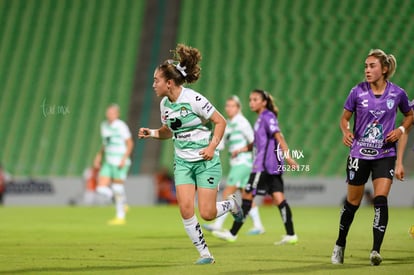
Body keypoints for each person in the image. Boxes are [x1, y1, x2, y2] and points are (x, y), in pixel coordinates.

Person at [138, 44, 243, 265]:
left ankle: (231, 204)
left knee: (207, 213)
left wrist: (213, 147)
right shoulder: (165, 104)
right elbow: (168, 130)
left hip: (206, 161)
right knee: (185, 209)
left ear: (169, 83)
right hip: (183, 162)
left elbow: (220, 121)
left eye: (156, 80)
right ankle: (205, 254)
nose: (153, 84)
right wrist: (152, 133)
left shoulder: (193, 99)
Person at [331, 49, 413, 266]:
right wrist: (346, 131)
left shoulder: (398, 94)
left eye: (372, 66)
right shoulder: (357, 91)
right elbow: (344, 118)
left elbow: (410, 115)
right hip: (359, 153)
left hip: (385, 153)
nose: (367, 70)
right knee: (353, 203)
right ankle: (340, 244)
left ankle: (375, 250)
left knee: (380, 199)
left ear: (384, 69)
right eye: (366, 66)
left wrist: (401, 131)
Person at [212, 89, 299, 245]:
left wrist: (288, 156)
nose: (251, 102)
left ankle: (232, 233)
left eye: (255, 99)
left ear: (264, 102)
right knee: (279, 199)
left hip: (263, 166)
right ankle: (291, 234)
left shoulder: (267, 117)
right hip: (271, 166)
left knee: (247, 197)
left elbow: (279, 136)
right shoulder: (260, 119)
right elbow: (257, 143)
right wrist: (241, 149)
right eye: (250, 99)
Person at [203, 95, 265, 235]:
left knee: (227, 193)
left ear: (238, 108)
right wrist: (210, 145)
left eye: (232, 106)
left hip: (243, 163)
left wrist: (248, 155)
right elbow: (222, 145)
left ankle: (218, 225)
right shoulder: (228, 124)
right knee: (246, 196)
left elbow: (254, 141)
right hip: (238, 163)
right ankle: (258, 225)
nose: (228, 108)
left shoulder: (242, 122)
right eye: (227, 106)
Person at [94, 104, 134, 225]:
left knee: (117, 188)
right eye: (108, 113)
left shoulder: (121, 126)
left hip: (119, 161)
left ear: (117, 114)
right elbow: (106, 143)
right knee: (100, 188)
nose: (110, 115)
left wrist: (124, 159)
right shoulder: (104, 126)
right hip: (108, 161)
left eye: (112, 113)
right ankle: (122, 203)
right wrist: (99, 155)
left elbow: (130, 143)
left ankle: (120, 217)